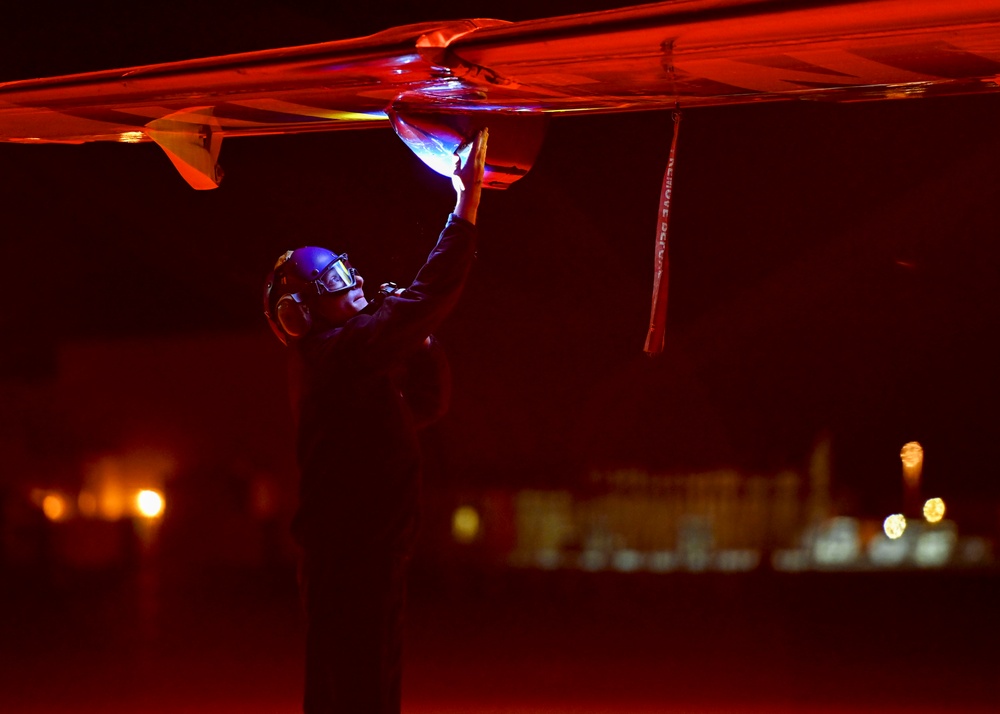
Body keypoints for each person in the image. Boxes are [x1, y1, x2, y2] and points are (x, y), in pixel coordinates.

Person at [262, 128, 488, 713]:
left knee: (357, 686)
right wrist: (466, 203)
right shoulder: (336, 356)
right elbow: (429, 293)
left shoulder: (346, 365)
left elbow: (424, 408)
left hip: (366, 558)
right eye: (335, 281)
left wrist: (423, 343)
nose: (355, 281)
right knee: (360, 690)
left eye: (346, 270)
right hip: (352, 561)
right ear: (299, 314)